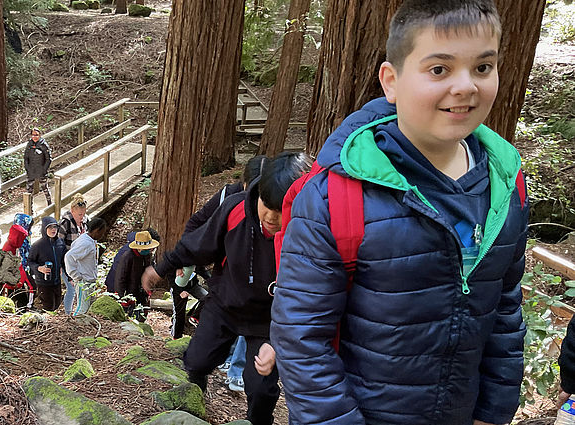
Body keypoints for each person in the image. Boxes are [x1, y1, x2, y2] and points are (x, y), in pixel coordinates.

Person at [271, 2, 529, 424]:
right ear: (391, 81)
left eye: (483, 67)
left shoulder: (507, 183)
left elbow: (503, 309)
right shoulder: (336, 196)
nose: (465, 86)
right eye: (439, 70)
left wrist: (492, 412)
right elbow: (301, 336)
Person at [141, 153, 309, 425]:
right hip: (225, 305)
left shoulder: (306, 232)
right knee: (196, 361)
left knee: (261, 388)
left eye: (282, 210)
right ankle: (194, 407)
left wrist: (279, 341)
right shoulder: (235, 209)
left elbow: (309, 295)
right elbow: (199, 244)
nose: (271, 216)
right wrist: (161, 268)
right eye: (267, 205)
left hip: (268, 320)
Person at [171, 155, 268, 341]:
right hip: (227, 267)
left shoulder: (275, 197)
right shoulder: (227, 196)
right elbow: (195, 223)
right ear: (245, 184)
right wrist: (185, 260)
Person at [111, 230, 159, 322]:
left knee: (142, 315)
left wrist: (149, 289)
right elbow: (120, 278)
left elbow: (149, 271)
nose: (148, 250)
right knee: (130, 317)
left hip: (142, 292)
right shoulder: (128, 257)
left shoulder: (148, 255)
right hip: (130, 292)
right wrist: (122, 297)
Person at [64, 217, 107, 316]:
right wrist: (76, 276)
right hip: (84, 281)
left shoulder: (89, 239)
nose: (102, 235)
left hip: (90, 280)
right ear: (96, 230)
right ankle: (75, 327)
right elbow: (69, 256)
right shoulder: (85, 243)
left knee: (90, 308)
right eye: (102, 232)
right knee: (82, 309)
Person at [28, 217, 68, 311]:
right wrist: (39, 268)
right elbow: (30, 261)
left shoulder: (60, 243)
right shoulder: (37, 245)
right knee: (49, 308)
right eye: (50, 227)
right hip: (43, 283)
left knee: (57, 305)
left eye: (55, 227)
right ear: (44, 229)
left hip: (57, 281)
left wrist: (69, 277)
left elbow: (64, 261)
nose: (53, 230)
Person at [23, 127, 52, 205]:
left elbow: (48, 159)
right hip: (31, 171)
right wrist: (28, 169)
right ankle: (29, 208)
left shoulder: (44, 144)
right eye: (33, 135)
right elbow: (26, 158)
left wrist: (44, 170)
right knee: (29, 191)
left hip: (41, 170)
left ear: (39, 135)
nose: (34, 137)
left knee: (45, 189)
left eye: (36, 135)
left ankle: (50, 204)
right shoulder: (29, 144)